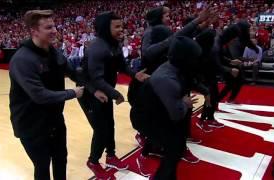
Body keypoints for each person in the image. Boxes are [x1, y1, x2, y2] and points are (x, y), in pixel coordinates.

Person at [9, 10, 84, 180]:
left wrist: (95, 81)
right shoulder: (23, 59)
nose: (55, 30)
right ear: (34, 31)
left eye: (54, 26)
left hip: (54, 119)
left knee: (60, 159)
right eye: (48, 27)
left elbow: (72, 72)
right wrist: (72, 93)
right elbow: (39, 96)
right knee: (42, 165)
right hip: (31, 124)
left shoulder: (53, 52)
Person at [77, 11, 149, 179]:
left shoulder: (114, 44)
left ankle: (110, 155)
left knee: (110, 124)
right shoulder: (97, 48)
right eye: (116, 26)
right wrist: (115, 93)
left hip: (105, 91)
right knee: (101, 129)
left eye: (121, 26)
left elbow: (122, 66)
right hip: (90, 93)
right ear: (104, 28)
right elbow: (96, 78)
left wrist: (134, 74)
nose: (121, 29)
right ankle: (93, 161)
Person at [134, 36, 202, 180]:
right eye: (194, 58)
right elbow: (176, 115)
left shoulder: (172, 66)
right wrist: (185, 103)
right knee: (174, 149)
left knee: (175, 147)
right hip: (146, 118)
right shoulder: (167, 79)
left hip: (156, 111)